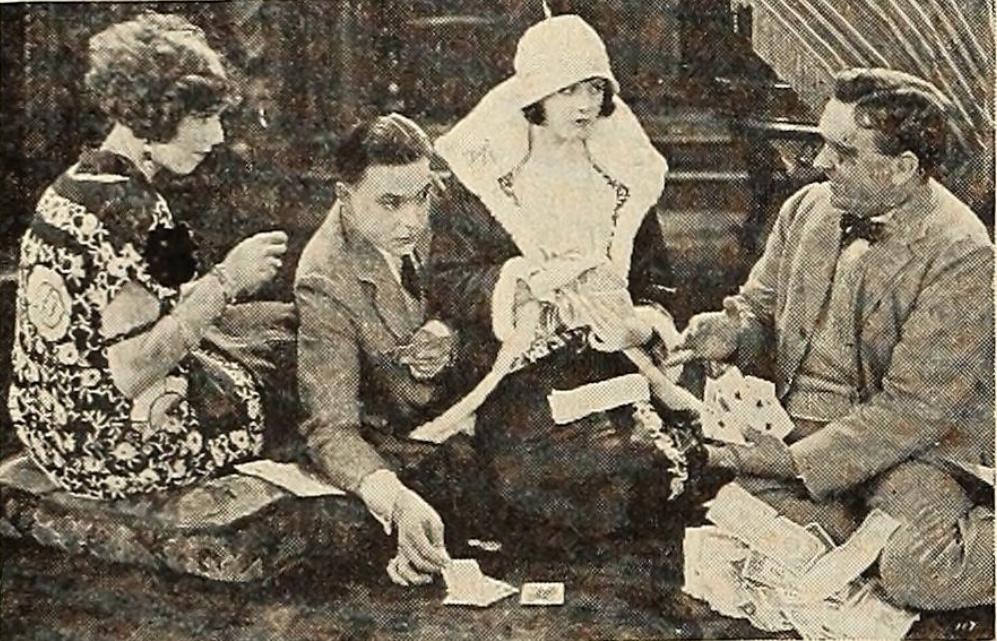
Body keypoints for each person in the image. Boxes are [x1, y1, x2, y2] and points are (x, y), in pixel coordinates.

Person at [678, 67, 994, 611]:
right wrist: (731, 333)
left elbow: (912, 411)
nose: (819, 163)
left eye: (842, 151)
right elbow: (760, 310)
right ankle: (851, 526)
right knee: (711, 512)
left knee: (916, 571)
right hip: (798, 430)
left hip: (908, 451)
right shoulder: (806, 209)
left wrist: (779, 461)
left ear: (903, 168)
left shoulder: (963, 252)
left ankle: (888, 529)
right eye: (822, 143)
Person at [427, 14, 703, 544]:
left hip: (611, 363)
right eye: (568, 89)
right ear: (536, 95)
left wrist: (639, 325)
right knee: (528, 485)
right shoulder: (488, 184)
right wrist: (523, 284)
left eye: (595, 89)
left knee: (639, 475)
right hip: (519, 369)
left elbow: (655, 284)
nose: (583, 104)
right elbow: (448, 279)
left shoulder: (622, 179)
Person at [7, 12, 289, 500]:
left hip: (47, 429)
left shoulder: (72, 184)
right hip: (106, 449)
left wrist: (216, 291)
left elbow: (147, 300)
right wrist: (228, 279)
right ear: (153, 115)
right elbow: (135, 367)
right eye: (203, 118)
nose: (218, 136)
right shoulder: (135, 212)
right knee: (277, 385)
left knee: (271, 325)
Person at [294, 114, 457, 586]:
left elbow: (479, 280)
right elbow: (330, 428)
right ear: (345, 197)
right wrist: (398, 502)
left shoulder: (431, 192)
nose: (412, 221)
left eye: (421, 197)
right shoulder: (324, 278)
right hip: (412, 436)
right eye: (390, 204)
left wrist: (450, 332)